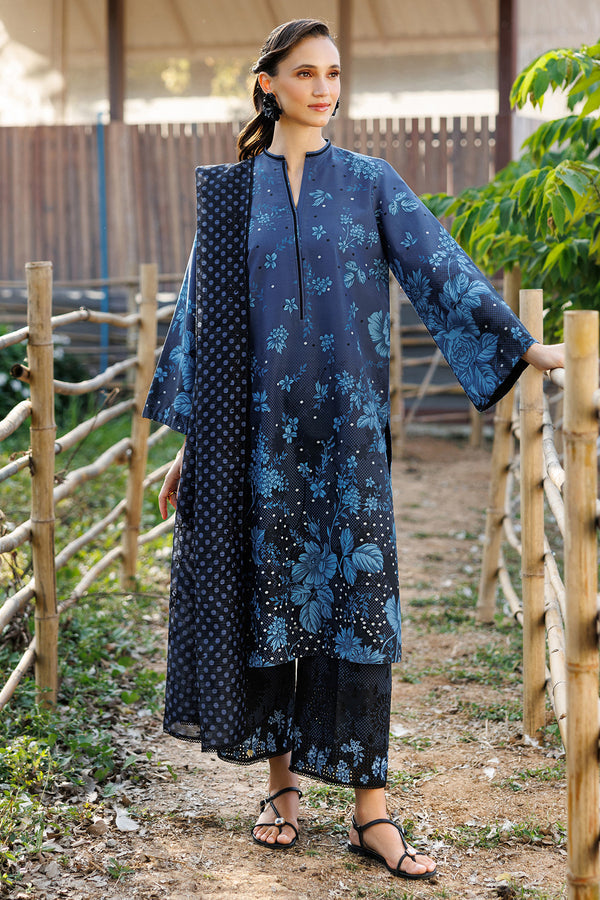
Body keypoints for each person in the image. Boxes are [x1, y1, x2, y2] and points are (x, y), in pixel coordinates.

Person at [143, 18, 564, 881]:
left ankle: (372, 811)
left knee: (361, 607)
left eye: (334, 73)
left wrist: (522, 345)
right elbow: (198, 323)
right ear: (268, 83)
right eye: (306, 73)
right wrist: (190, 449)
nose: (324, 88)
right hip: (257, 440)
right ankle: (281, 790)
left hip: (348, 438)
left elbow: (439, 267)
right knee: (270, 607)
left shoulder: (371, 182)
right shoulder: (230, 196)